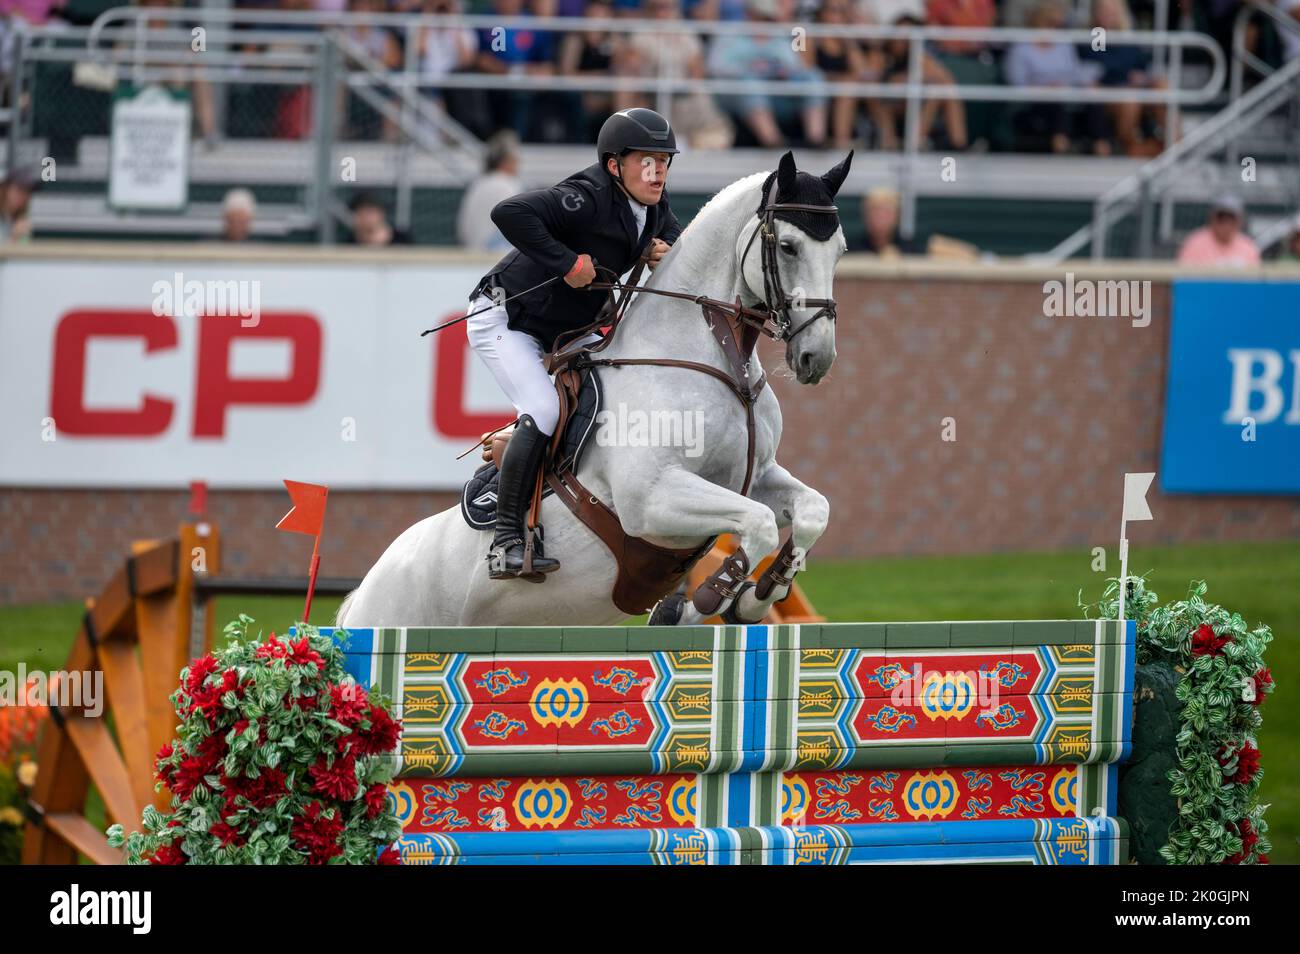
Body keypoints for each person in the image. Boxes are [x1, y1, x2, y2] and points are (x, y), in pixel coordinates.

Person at [465, 107, 682, 580]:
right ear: (613, 166)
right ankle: (507, 541)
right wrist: (566, 262)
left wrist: (666, 250)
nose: (658, 169)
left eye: (664, 160)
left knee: (621, 383)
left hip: (567, 328)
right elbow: (508, 211)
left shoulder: (655, 209)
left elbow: (676, 242)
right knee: (543, 410)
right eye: (646, 160)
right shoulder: (583, 198)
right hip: (505, 318)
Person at [707, 0, 829, 148]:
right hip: (735, 93)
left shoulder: (779, 35)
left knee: (813, 77)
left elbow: (796, 66)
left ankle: (816, 142)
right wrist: (749, 69)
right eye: (759, 17)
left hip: (775, 91)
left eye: (767, 18)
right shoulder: (729, 33)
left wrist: (780, 71)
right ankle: (773, 143)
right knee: (750, 85)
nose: (764, 22)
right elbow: (715, 67)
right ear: (748, 14)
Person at [456, 130, 525, 251]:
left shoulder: (477, 184)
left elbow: (463, 230)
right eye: (515, 160)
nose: (518, 164)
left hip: (470, 255)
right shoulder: (511, 185)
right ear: (506, 162)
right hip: (497, 257)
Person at [1176, 195, 1261, 267]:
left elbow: (1256, 281)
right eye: (1221, 218)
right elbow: (1184, 279)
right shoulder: (1195, 243)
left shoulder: (1248, 247)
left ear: (1239, 221)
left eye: (1231, 219)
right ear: (1212, 219)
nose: (1226, 224)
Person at [0, 168, 34, 243]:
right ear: (6, 189)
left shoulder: (17, 217)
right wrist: (14, 237)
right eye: (19, 189)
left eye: (27, 191)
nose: (23, 196)